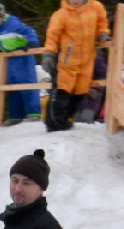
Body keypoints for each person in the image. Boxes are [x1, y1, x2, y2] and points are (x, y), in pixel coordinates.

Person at [42, 0, 110, 132]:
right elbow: (52, 35)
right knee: (62, 89)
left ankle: (66, 118)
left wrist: (103, 33)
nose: (75, 1)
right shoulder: (61, 14)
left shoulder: (95, 7)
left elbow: (102, 21)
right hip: (68, 59)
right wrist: (49, 53)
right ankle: (54, 122)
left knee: (81, 91)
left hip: (87, 58)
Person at [0, 2, 42, 124]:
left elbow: (29, 31)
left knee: (27, 82)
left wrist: (32, 43)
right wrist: (0, 50)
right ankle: (16, 116)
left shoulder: (13, 24)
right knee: (12, 85)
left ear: (1, 15)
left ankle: (34, 113)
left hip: (23, 55)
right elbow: (5, 42)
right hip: (10, 58)